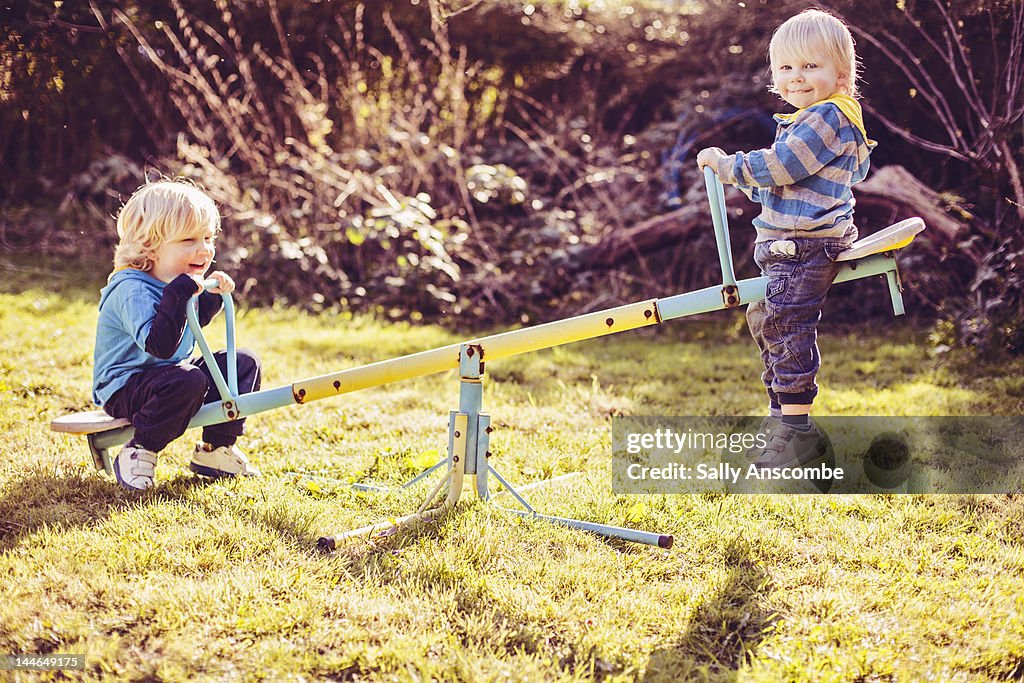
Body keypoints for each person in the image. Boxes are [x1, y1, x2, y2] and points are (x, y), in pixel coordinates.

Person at [696, 9, 874, 468]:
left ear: (841, 73)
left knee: (787, 324)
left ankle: (797, 433)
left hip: (805, 245)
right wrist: (739, 176)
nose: (796, 77)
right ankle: (782, 420)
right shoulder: (811, 119)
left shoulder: (828, 118)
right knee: (766, 321)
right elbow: (776, 182)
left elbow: (780, 167)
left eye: (810, 66)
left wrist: (727, 163)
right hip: (788, 245)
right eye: (786, 68)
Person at [92, 180, 262, 490]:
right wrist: (180, 291)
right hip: (126, 386)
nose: (204, 249)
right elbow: (161, 346)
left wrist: (209, 296)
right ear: (150, 246)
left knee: (242, 363)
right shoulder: (132, 289)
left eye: (208, 237)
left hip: (169, 375)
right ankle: (140, 449)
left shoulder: (177, 280)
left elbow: (191, 322)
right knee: (187, 380)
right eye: (188, 239)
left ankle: (216, 448)